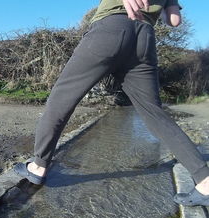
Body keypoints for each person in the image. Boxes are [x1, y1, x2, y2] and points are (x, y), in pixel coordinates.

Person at [14, 0, 209, 206]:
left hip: (111, 28)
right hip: (144, 37)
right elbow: (174, 21)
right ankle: (204, 180)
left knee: (61, 98)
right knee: (154, 114)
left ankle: (38, 166)